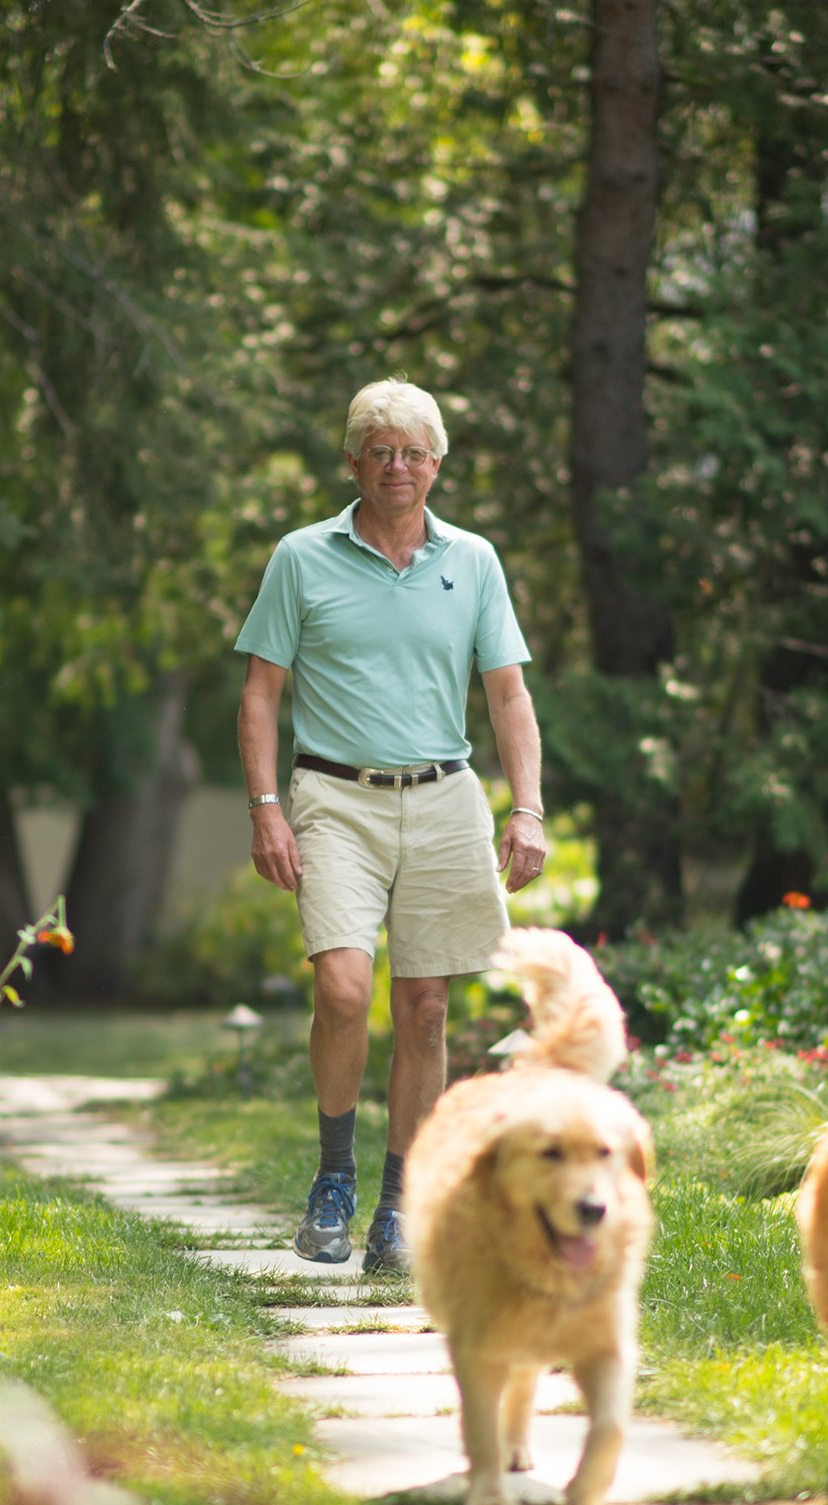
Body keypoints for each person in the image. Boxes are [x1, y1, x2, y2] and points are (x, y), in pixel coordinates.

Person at [234, 377, 550, 1275]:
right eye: (382, 451)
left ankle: (400, 1207)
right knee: (341, 988)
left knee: (426, 1006)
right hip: (333, 798)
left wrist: (525, 808)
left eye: (414, 452)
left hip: (446, 797)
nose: (398, 466)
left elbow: (508, 693)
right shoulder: (302, 557)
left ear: (437, 464)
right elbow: (260, 692)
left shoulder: (474, 561)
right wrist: (266, 808)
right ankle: (332, 1179)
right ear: (355, 461)